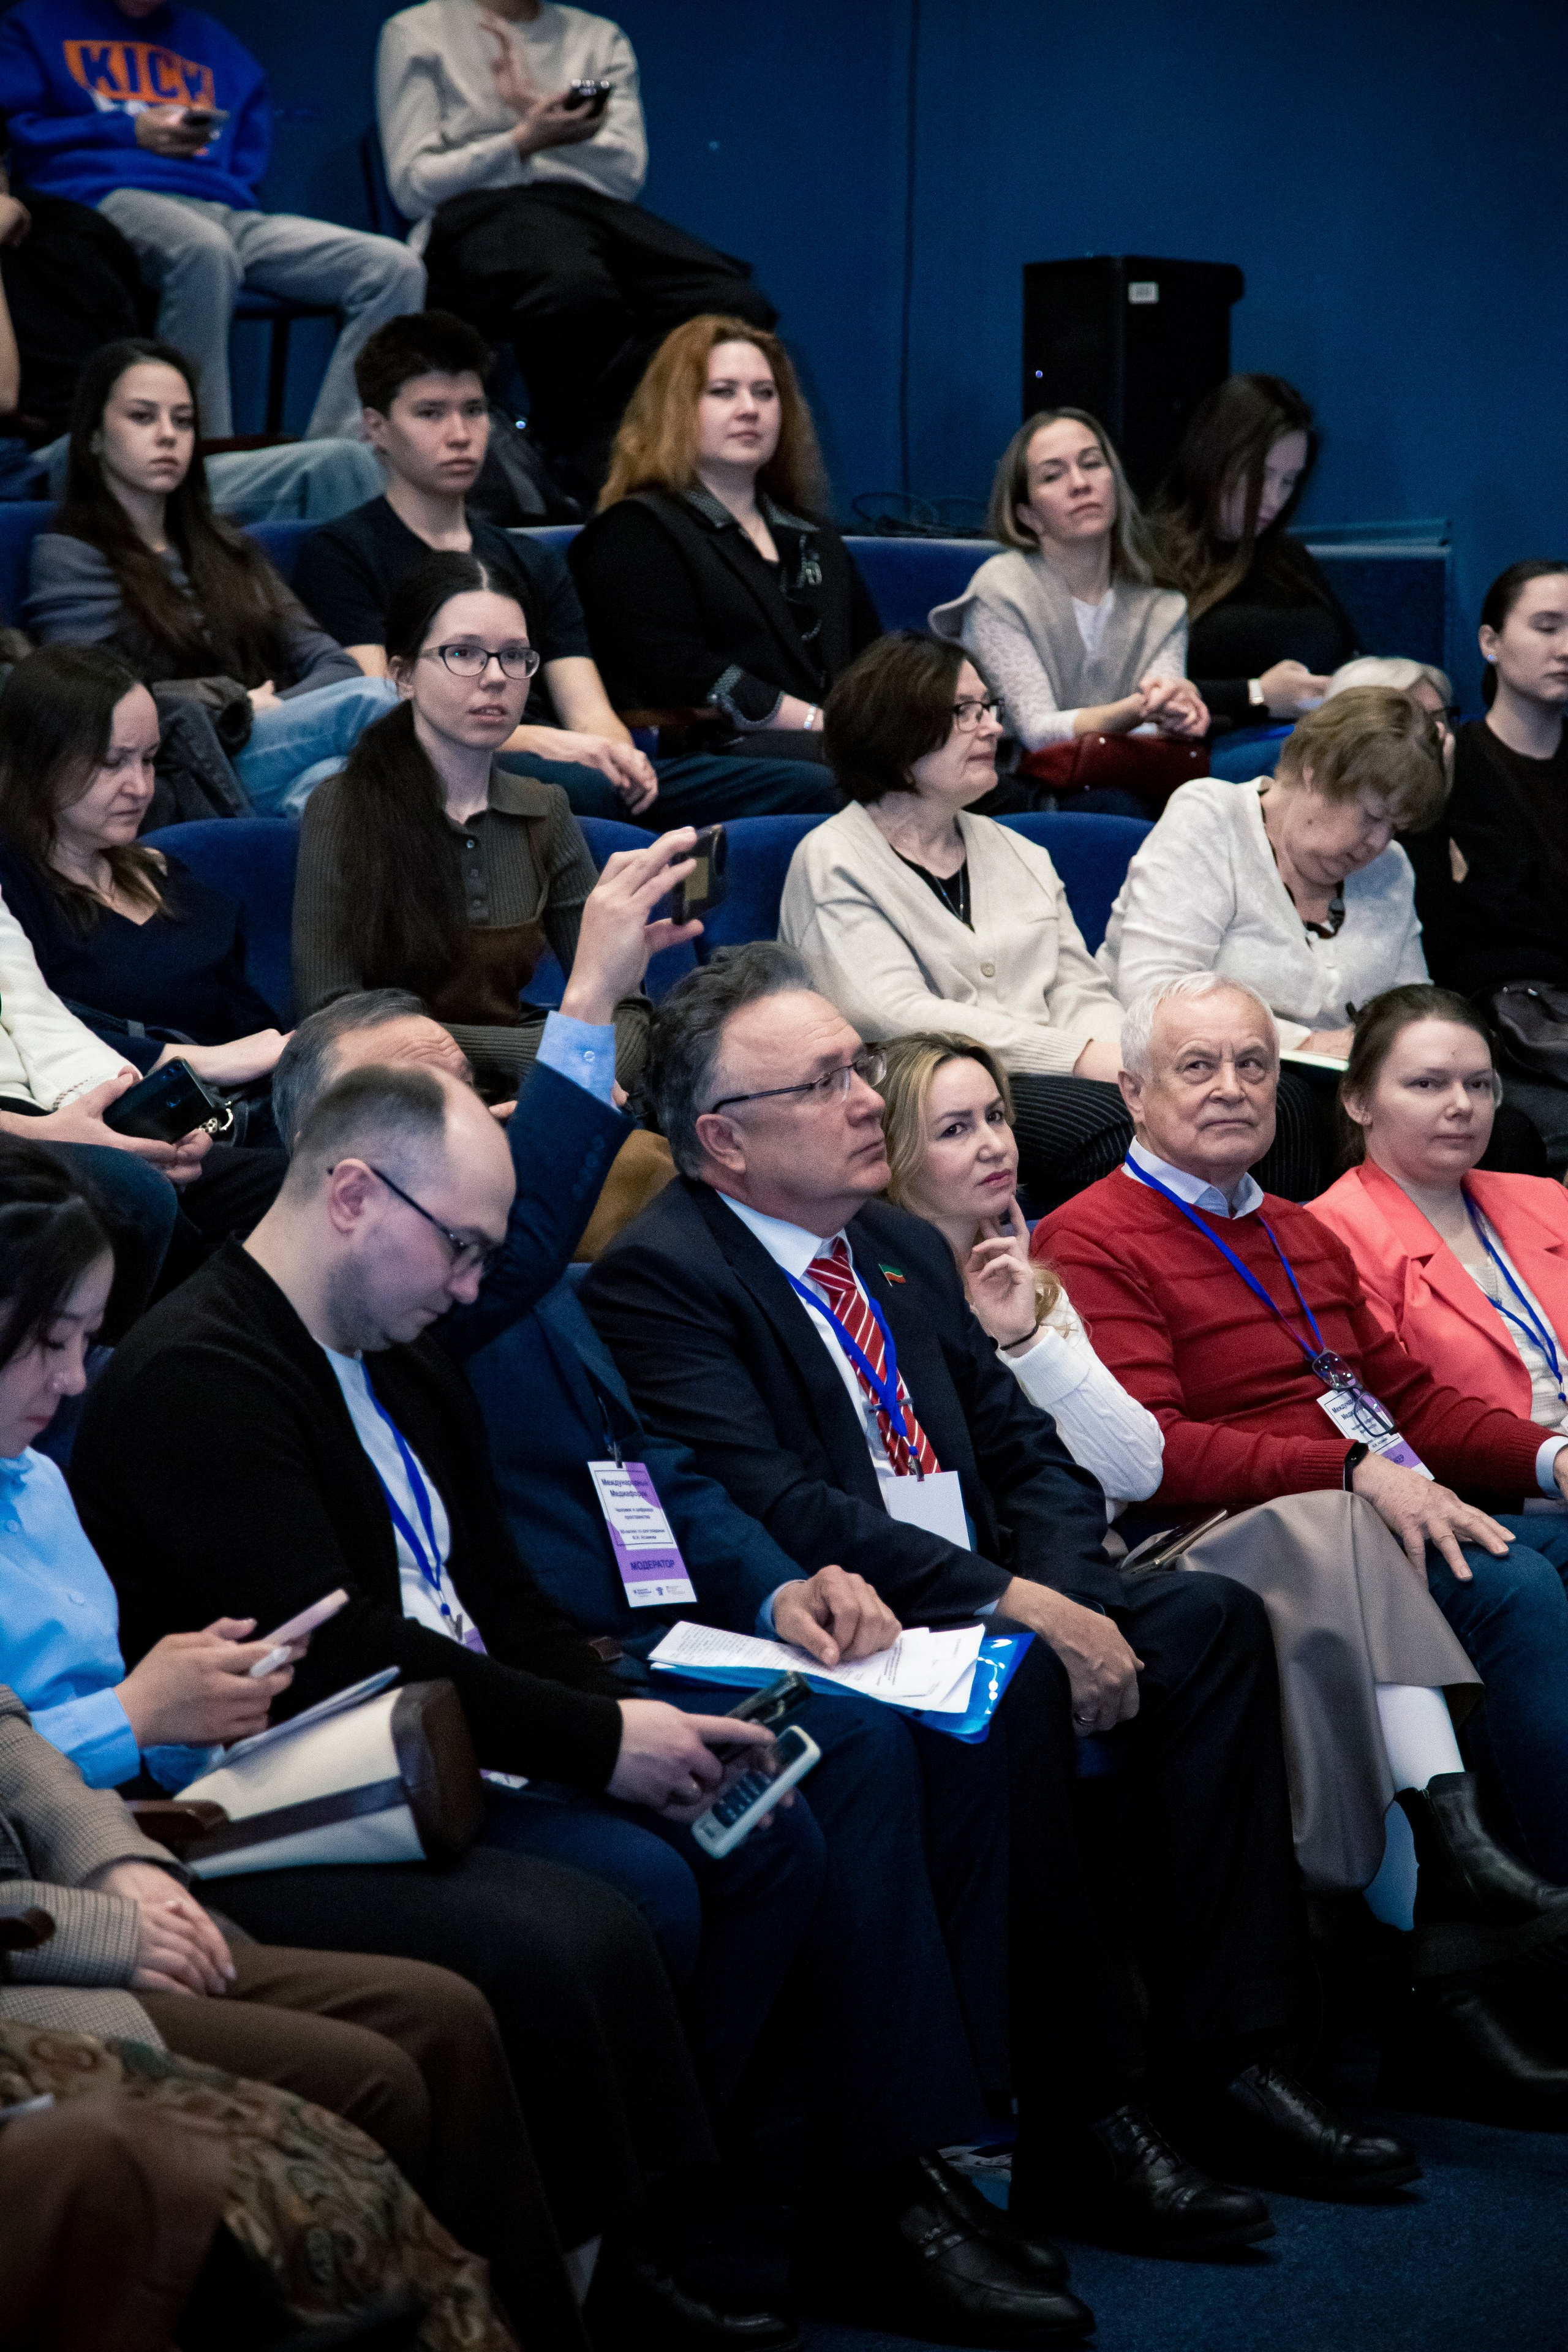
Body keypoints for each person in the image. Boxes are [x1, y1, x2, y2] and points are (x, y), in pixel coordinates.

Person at [265, 987, 1102, 2349]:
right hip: (563, 1653)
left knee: (915, 1717)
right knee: (843, 1756)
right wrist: (591, 997)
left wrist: (773, 1585)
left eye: (464, 1087)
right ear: (339, 1177)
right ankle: (849, 2188)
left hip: (651, 1618)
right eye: (415, 1101)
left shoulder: (519, 1280)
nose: (472, 1118)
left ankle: (903, 2162)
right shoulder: (422, 1302)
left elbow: (650, 1471)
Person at [581, 939, 1421, 2247]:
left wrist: (1060, 1587)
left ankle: (1229, 2061)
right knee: (1019, 1674)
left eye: (858, 1068)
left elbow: (1025, 1450)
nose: (867, 1099)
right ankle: (1075, 2117)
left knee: (1204, 1624)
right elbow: (785, 1509)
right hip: (850, 1618)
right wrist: (1024, 1609)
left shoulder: (896, 1245)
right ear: (722, 1141)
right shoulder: (666, 1277)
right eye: (823, 1084)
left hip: (993, 1586)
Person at [1033, 971, 1568, 2114]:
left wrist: (1549, 1459)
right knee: (1515, 1590)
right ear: (1130, 1091)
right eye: (1197, 1067)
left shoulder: (1297, 1232)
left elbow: (1411, 1405)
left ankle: (1480, 1939)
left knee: (1540, 1557)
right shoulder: (1091, 1238)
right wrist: (1353, 1471)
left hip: (1362, 1511)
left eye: (1255, 1065)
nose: (1232, 1088)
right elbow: (1158, 1453)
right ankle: (1488, 1918)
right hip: (1218, 1543)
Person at [293, 310, 844, 828]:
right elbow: (383, 710)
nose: (460, 434)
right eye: (431, 413)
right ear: (376, 428)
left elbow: (588, 710)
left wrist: (616, 755)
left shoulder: (528, 558)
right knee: (579, 791)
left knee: (804, 785)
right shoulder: (343, 551)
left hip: (564, 761)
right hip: (455, 762)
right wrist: (546, 743)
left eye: (476, 410)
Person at [778, 630, 1133, 1212]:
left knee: (1272, 1107)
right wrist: (1077, 1058)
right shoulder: (834, 859)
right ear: (894, 728)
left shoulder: (1021, 851)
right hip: (923, 1095)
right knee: (1116, 1126)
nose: (992, 727)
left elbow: (1079, 988)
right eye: (965, 712)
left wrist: (1133, 1060)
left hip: (1039, 1079)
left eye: (988, 709)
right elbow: (893, 1015)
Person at [293, 551, 659, 1098]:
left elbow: (626, 1002)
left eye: (515, 656)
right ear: (403, 675)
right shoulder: (342, 807)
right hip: (387, 1100)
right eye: (463, 653)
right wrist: (558, 1056)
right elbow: (333, 1018)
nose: (494, 678)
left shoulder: (545, 808)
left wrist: (588, 1075)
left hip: (534, 1089)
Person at [377, 0, 775, 491]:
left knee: (733, 301)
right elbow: (414, 187)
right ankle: (588, 471)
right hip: (480, 209)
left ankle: (612, 445)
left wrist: (534, 111)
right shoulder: (417, 31)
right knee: (572, 290)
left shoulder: (599, 37)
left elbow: (626, 172)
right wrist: (522, 140)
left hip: (589, 210)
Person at [0, 0, 426, 441]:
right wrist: (130, 133)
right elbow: (20, 132)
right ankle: (202, 466)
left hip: (220, 207)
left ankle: (337, 464)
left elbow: (247, 152)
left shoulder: (215, 43)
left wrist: (224, 185)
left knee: (391, 267)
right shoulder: (35, 24)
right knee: (204, 248)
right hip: (100, 197)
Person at [25, 340, 398, 816]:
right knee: (375, 699)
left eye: (183, 420)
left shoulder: (228, 545)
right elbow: (93, 703)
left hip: (270, 739)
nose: (167, 436)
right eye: (143, 417)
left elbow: (333, 664)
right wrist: (233, 704)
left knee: (327, 791)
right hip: (178, 763)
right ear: (95, 435)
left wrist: (271, 709)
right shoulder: (69, 557)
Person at [1097, 687, 1445, 1197]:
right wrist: (1304, 1042)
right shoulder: (1210, 817)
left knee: (1480, 1118)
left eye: (1396, 827)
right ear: (1315, 769)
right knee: (1289, 1111)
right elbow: (1154, 986)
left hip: (1341, 1080)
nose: (1377, 843)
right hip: (1206, 1068)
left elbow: (1410, 1004)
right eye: (1371, 815)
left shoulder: (1389, 869)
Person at [567, 314, 875, 782]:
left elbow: (871, 658)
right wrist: (821, 726)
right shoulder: (635, 531)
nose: (749, 408)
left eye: (765, 393)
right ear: (675, 409)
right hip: (705, 756)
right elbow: (682, 671)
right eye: (723, 392)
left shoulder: (814, 536)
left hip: (828, 747)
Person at [872, 1029, 1163, 1506]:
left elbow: (1138, 1472)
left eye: (995, 1117)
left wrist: (1024, 1338)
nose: (995, 1146)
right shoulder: (871, 1300)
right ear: (894, 1154)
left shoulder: (1027, 1282)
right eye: (955, 1129)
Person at [0, 644, 288, 1108]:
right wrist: (202, 1060)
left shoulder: (165, 875)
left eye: (149, 759)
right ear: (39, 761)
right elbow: (40, 1035)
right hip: (121, 1129)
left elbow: (256, 1035)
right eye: (112, 763)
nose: (140, 787)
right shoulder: (12, 890)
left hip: (242, 1112)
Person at [1310, 986, 1568, 1439]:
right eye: (1427, 1084)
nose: (1462, 1105)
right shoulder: (1326, 1235)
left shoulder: (1546, 1199)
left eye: (1478, 1084)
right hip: (1494, 1491)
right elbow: (1389, 1424)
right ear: (1358, 1102)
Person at [927, 407, 1208, 760]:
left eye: (1091, 464)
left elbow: (1155, 726)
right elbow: (1038, 732)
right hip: (1027, 789)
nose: (1080, 483)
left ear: (1115, 486)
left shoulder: (1163, 607)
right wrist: (1137, 710)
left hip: (1126, 774)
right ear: (1028, 516)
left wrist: (1178, 715)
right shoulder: (1001, 590)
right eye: (1053, 476)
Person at [1409, 560, 1568, 1166]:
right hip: (1501, 1031)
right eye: (1546, 626)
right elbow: (1436, 927)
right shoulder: (1451, 765)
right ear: (1490, 643)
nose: (1563, 647)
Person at [1146, 375, 1358, 725]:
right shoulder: (1150, 555)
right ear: (1215, 458)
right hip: (1214, 755)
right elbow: (1133, 693)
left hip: (1317, 745)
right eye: (1261, 475)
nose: (1275, 498)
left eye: (1289, 480)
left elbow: (1353, 654)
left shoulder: (1289, 558)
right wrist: (1255, 694)